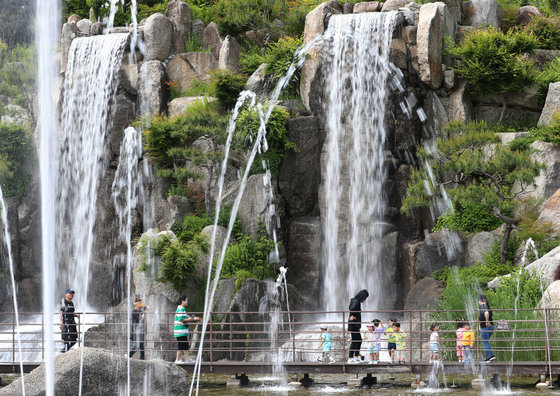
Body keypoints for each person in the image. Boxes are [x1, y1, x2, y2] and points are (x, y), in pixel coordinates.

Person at [174, 295, 201, 364]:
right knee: (181, 344)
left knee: (185, 344)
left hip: (181, 330)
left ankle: (187, 359)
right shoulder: (181, 308)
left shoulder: (181, 308)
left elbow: (185, 317)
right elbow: (181, 319)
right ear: (183, 301)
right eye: (186, 300)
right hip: (180, 330)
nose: (187, 302)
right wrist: (190, 319)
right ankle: (177, 360)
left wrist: (193, 318)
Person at [347, 289, 369, 363]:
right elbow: (351, 309)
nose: (365, 299)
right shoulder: (356, 301)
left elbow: (350, 308)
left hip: (352, 324)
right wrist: (354, 317)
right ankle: (350, 358)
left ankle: (355, 357)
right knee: (355, 341)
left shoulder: (353, 299)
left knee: (358, 340)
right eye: (365, 297)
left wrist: (353, 316)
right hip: (354, 324)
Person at [478, 294, 496, 362]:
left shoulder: (483, 306)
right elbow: (492, 317)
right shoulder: (488, 306)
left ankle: (488, 357)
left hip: (485, 327)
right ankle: (491, 356)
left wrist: (487, 322)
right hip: (490, 327)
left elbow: (486, 313)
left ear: (480, 300)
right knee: (486, 342)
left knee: (485, 342)